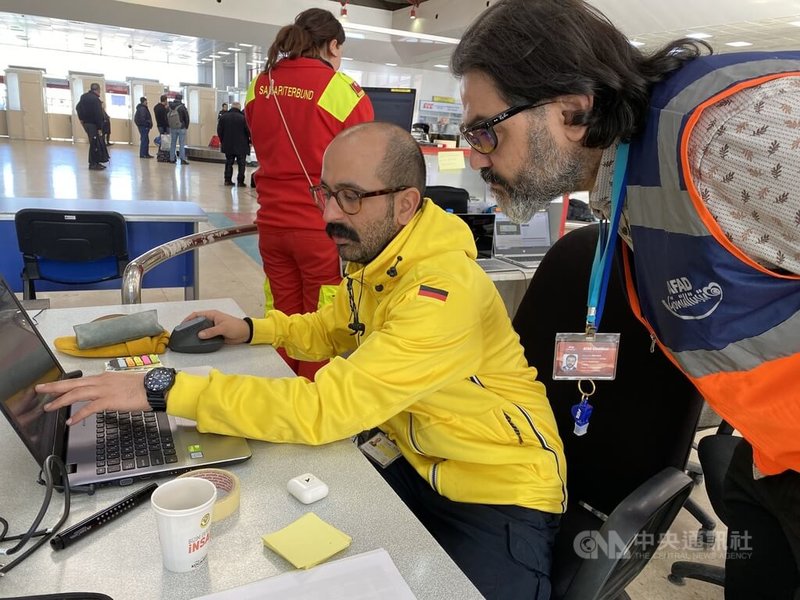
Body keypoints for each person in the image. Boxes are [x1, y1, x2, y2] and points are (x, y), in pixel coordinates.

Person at [39, 122, 566, 600]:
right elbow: (330, 329)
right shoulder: (379, 259)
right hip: (416, 461)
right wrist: (251, 329)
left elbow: (323, 410)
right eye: (326, 192)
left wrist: (163, 389)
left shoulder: (440, 292)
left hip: (499, 493)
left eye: (351, 197)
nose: (329, 213)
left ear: (405, 204)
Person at [451, 1, 800, 598]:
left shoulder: (731, 139)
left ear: (574, 111)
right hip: (774, 449)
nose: (474, 155)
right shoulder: (629, 178)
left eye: (487, 130)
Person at [244, 7, 374, 379]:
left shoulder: (261, 84)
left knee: (282, 319)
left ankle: (280, 392)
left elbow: (264, 142)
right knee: (321, 325)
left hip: (270, 225)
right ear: (333, 45)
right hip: (320, 228)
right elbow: (367, 160)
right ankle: (310, 405)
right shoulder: (342, 91)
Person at [217, 101, 251, 186]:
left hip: (228, 144)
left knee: (229, 162)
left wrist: (222, 140)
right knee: (241, 164)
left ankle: (227, 180)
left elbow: (219, 131)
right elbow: (248, 131)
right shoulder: (244, 118)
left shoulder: (224, 117)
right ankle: (240, 181)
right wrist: (250, 141)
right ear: (239, 108)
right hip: (242, 145)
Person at [75, 82, 107, 171]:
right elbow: (98, 114)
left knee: (93, 143)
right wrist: (100, 127)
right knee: (95, 144)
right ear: (98, 90)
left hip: (86, 124)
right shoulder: (95, 100)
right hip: (93, 124)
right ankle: (93, 164)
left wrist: (81, 119)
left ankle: (96, 162)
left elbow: (77, 107)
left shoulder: (83, 97)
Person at [168, 93, 190, 165]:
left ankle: (171, 158)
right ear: (181, 99)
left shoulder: (170, 106)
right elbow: (186, 117)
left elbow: (167, 116)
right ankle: (182, 159)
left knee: (173, 143)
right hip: (181, 127)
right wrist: (186, 126)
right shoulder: (182, 107)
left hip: (173, 127)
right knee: (181, 144)